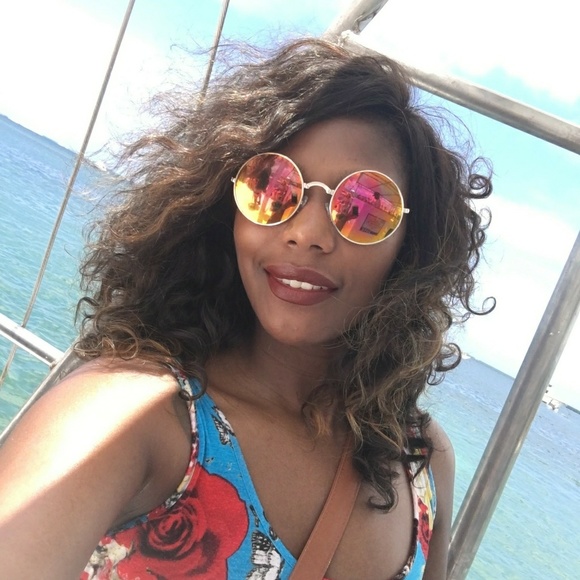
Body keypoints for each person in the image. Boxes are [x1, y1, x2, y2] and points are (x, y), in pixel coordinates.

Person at [0, 37, 492, 579]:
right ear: (225, 206)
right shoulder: (133, 414)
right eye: (273, 186)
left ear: (411, 247)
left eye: (364, 206)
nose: (307, 233)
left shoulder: (423, 458)